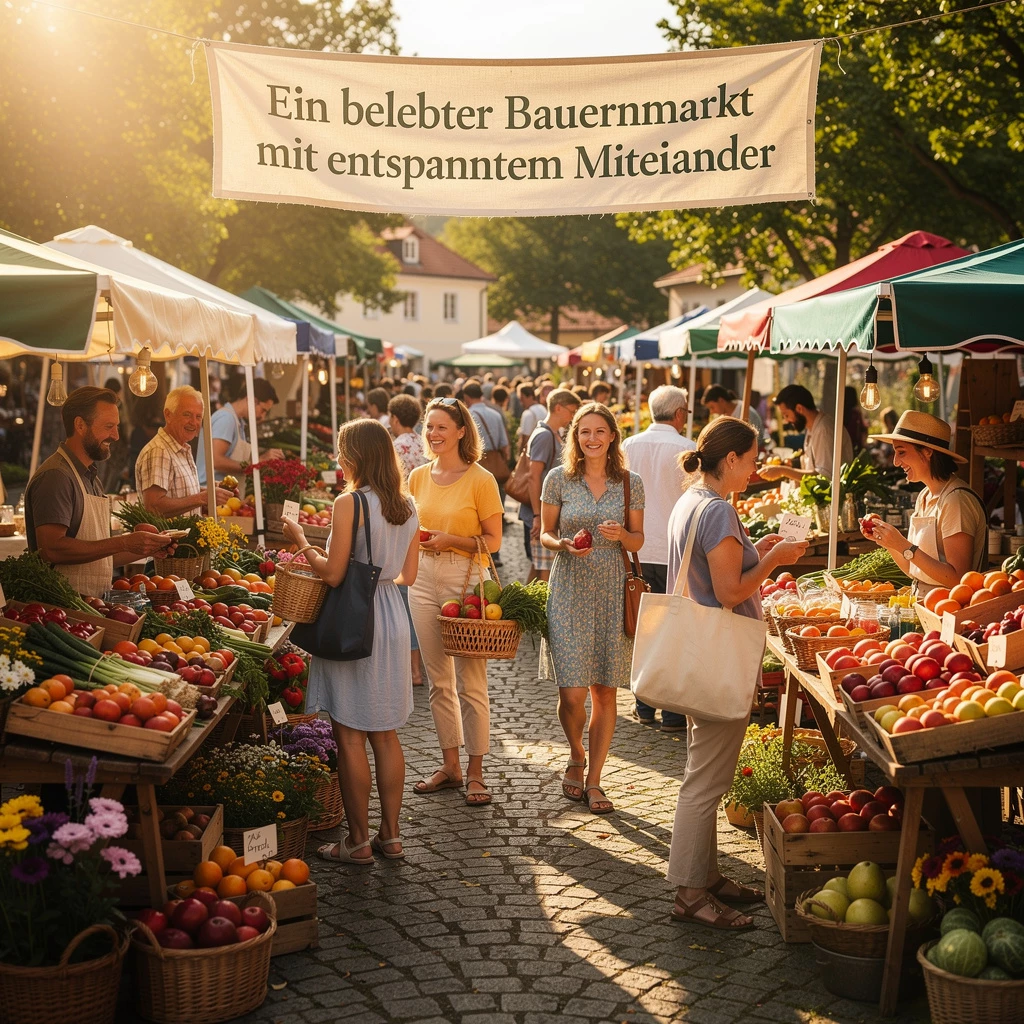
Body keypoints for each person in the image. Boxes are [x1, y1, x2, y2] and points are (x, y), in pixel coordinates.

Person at [666, 417, 808, 930]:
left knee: (701, 770)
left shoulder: (692, 501)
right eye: (751, 460)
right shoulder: (719, 511)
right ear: (730, 460)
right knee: (706, 782)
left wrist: (761, 550)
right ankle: (688, 892)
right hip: (718, 655)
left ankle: (706, 876)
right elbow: (729, 591)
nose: (755, 470)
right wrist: (775, 558)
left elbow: (715, 572)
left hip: (698, 654)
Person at [283, 421, 420, 865]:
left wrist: (303, 542)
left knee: (349, 735)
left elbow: (334, 573)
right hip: (392, 617)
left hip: (354, 623)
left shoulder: (350, 503)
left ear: (354, 457)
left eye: (342, 454)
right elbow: (408, 576)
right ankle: (392, 836)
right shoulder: (408, 505)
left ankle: (358, 841)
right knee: (385, 733)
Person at [540, 402, 645, 815]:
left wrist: (622, 534)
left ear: (612, 436)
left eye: (600, 431)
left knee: (604, 690)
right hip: (569, 584)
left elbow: (638, 541)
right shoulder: (558, 479)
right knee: (571, 692)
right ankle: (576, 753)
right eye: (585, 432)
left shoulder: (629, 482)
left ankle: (596, 780)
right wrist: (562, 544)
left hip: (612, 588)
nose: (592, 439)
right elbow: (546, 532)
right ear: (575, 437)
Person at [408, 398, 504, 807]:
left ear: (462, 430)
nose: (433, 434)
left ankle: (477, 772)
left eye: (442, 427)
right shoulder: (416, 477)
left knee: (471, 682)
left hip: (466, 578)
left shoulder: (481, 479)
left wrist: (452, 541)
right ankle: (450, 765)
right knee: (438, 681)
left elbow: (495, 541)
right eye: (429, 427)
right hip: (423, 578)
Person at [25, 387, 176, 596]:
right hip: (62, 610)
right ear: (80, 425)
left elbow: (101, 555)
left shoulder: (91, 477)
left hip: (91, 607)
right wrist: (123, 541)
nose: (115, 436)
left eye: (116, 426)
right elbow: (51, 549)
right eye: (108, 426)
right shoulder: (56, 476)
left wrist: (144, 547)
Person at [621, 385, 695, 732]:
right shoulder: (688, 448)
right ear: (679, 413)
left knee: (642, 628)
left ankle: (645, 704)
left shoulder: (628, 445)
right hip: (675, 549)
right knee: (675, 630)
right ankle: (673, 713)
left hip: (634, 549)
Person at [861, 411, 986, 596]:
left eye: (901, 452)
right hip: (924, 604)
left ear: (927, 451)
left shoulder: (955, 500)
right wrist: (888, 542)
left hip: (949, 612)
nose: (896, 462)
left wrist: (902, 544)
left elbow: (958, 579)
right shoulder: (924, 496)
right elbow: (916, 571)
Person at [136, 386, 232, 516]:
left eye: (198, 417)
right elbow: (153, 507)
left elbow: (179, 493)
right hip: (169, 537)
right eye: (187, 414)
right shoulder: (159, 451)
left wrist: (211, 492)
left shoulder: (181, 448)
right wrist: (203, 498)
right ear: (168, 415)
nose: (193, 422)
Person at [520, 389, 581, 582]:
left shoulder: (551, 433)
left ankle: (522, 608)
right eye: (571, 411)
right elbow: (533, 476)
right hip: (540, 512)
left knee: (538, 567)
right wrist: (538, 516)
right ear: (558, 408)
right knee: (545, 571)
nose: (572, 417)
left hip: (543, 511)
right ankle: (541, 611)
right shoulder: (544, 435)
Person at [389, 394, 428, 687]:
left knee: (404, 598)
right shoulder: (424, 444)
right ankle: (421, 667)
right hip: (426, 522)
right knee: (418, 597)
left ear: (394, 418)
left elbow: (392, 487)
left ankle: (411, 669)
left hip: (401, 520)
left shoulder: (397, 447)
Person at [196, 377, 283, 485]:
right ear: (251, 400)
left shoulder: (239, 422)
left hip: (226, 494)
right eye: (263, 410)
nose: (263, 417)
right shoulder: (226, 418)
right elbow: (215, 461)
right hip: (213, 495)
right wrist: (257, 462)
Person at [759, 384, 853, 482]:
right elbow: (812, 465)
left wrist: (783, 471)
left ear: (799, 408)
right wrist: (791, 463)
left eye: (786, 415)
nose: (786, 421)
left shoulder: (824, 429)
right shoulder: (812, 427)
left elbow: (825, 477)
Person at [701, 385, 765, 446]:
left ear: (721, 400)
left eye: (712, 407)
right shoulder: (720, 416)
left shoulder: (745, 410)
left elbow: (756, 439)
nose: (711, 412)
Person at [516, 384, 542, 454]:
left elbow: (525, 439)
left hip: (531, 454)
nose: (521, 403)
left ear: (530, 397)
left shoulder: (528, 413)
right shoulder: (543, 409)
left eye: (522, 398)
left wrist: (520, 454)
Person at [843, 386, 868, 453]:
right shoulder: (856, 414)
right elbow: (863, 430)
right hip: (855, 448)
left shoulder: (840, 414)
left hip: (843, 446)